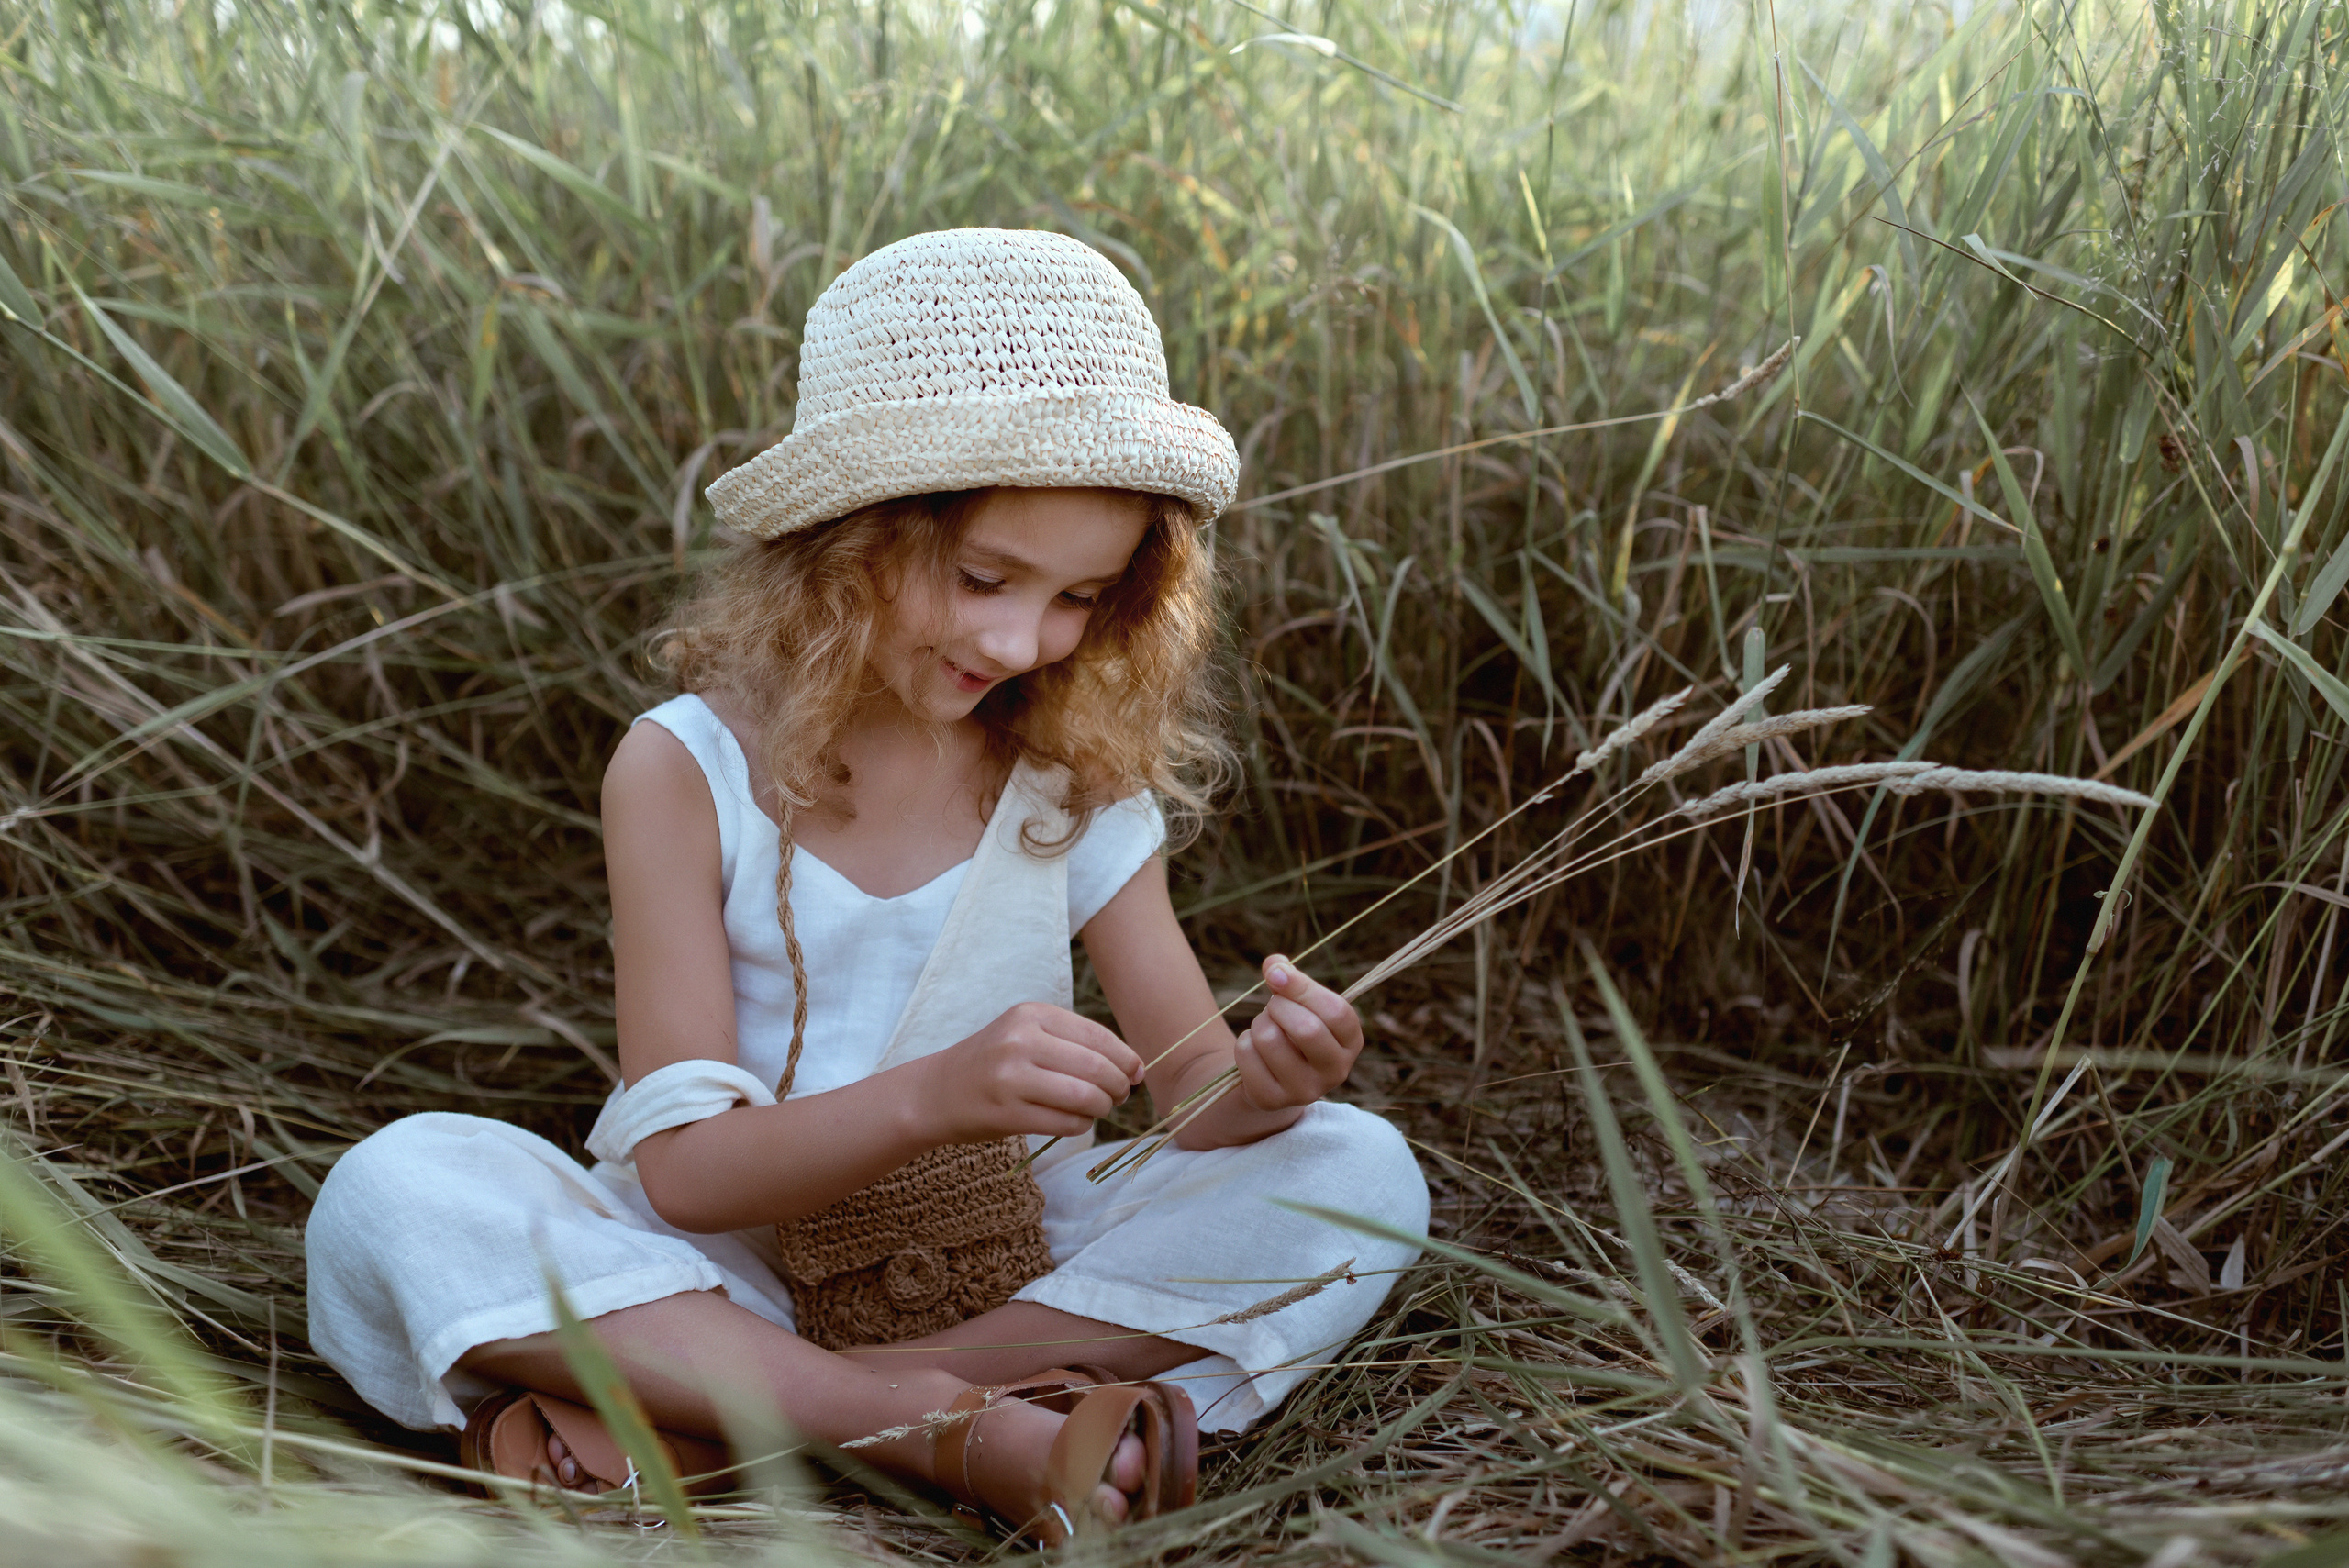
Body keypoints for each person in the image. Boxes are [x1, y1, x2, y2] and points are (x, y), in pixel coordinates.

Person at [304, 227, 1429, 1541]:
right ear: (845, 543)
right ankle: (963, 1429)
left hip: (1010, 1245)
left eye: (1077, 596)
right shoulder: (685, 766)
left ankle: (767, 1412)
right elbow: (679, 1179)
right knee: (395, 1187)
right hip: (724, 1266)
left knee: (1359, 1172)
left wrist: (1271, 1083)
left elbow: (1195, 1097)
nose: (1020, 640)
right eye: (981, 576)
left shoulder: (1070, 781)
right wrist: (932, 1097)